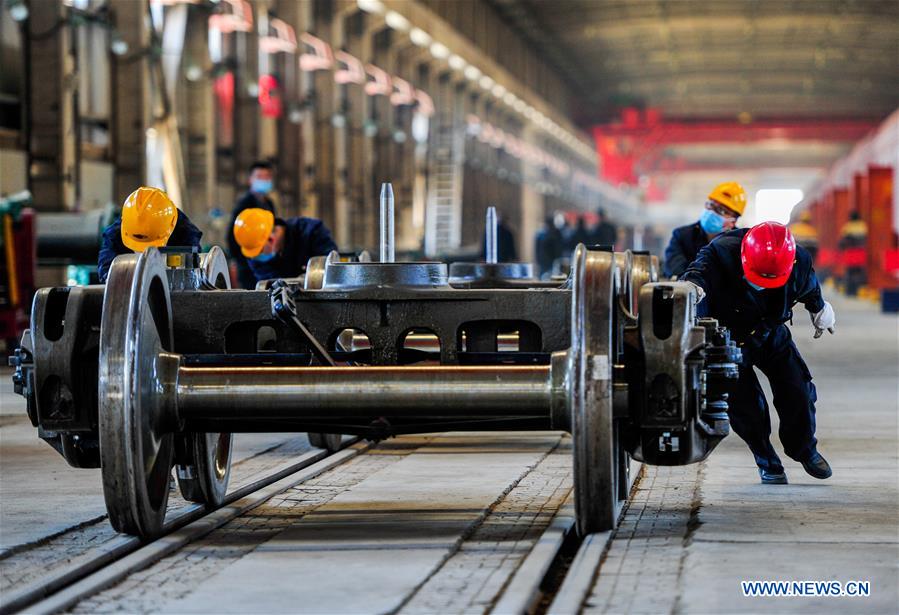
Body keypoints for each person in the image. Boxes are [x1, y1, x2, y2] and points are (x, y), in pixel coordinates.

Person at [683, 222, 835, 485]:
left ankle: (805, 450)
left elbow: (810, 288)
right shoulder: (719, 252)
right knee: (746, 406)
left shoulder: (799, 260)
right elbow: (696, 273)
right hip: (726, 338)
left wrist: (819, 310)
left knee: (797, 389)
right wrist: (691, 289)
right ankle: (767, 461)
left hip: (770, 333)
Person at [98, 186, 202, 283]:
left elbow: (191, 273)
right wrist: (111, 279)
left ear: (171, 226)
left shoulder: (185, 233)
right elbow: (106, 270)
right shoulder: (116, 234)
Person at [663, 181, 746, 279]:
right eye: (711, 205)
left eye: (722, 210)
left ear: (733, 220)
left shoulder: (740, 243)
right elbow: (676, 270)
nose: (712, 212)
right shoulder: (681, 236)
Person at [233, 208, 337, 283]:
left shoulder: (312, 232)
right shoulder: (256, 257)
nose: (255, 257)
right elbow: (269, 286)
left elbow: (333, 272)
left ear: (271, 239)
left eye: (259, 252)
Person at [230, 161, 277, 289]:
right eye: (259, 177)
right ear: (250, 180)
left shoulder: (269, 203)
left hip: (266, 261)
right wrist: (243, 261)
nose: (263, 180)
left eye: (266, 177)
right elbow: (232, 236)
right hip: (248, 266)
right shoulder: (244, 204)